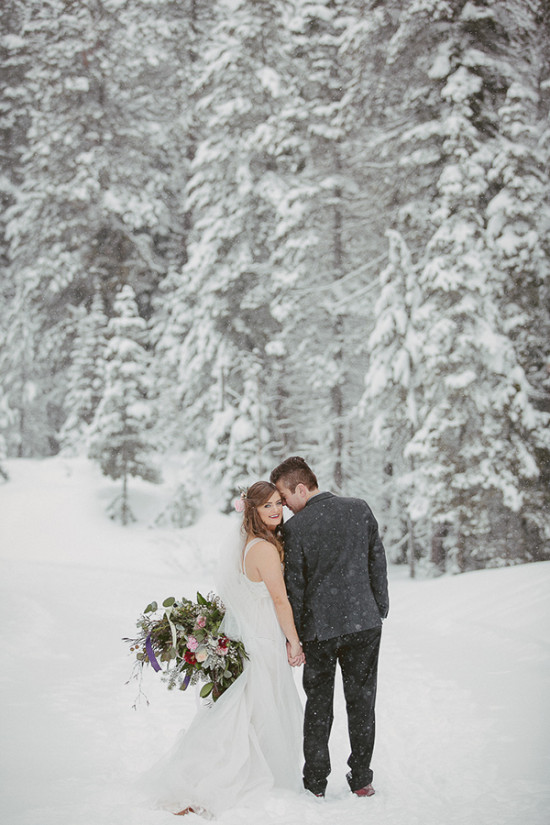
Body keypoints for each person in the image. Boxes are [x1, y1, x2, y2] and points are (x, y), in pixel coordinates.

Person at [142, 481, 304, 817]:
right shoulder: (264, 549)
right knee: (256, 704)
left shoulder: (250, 543)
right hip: (262, 633)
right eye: (267, 506)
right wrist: (294, 640)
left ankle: (234, 767)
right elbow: (278, 599)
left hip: (252, 630)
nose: (276, 510)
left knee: (253, 704)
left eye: (278, 503)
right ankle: (223, 776)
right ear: (253, 511)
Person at [270, 456, 389, 799]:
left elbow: (297, 586)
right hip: (364, 624)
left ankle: (316, 783)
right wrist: (378, 608)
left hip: (319, 631)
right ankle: (362, 779)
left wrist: (297, 636)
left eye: (284, 496)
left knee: (319, 706)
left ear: (301, 488)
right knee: (362, 702)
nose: (284, 506)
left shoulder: (295, 529)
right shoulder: (359, 509)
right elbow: (376, 561)